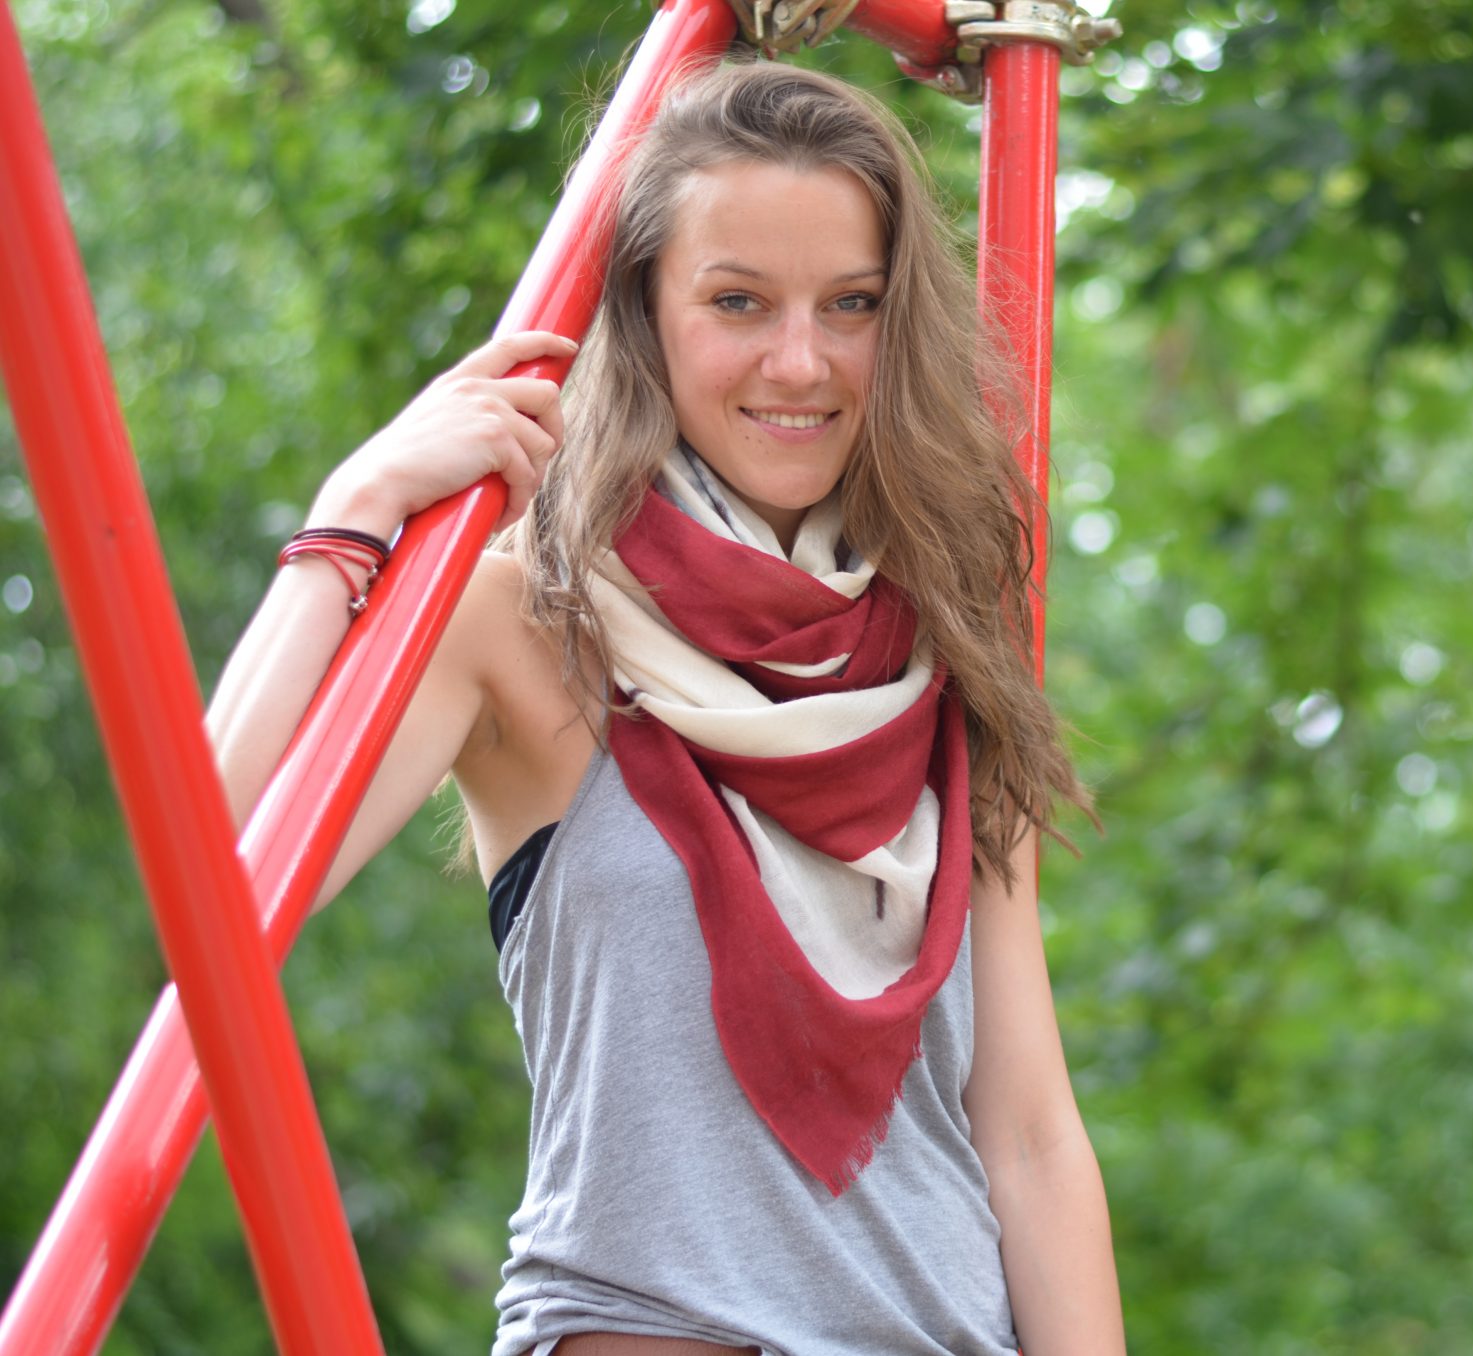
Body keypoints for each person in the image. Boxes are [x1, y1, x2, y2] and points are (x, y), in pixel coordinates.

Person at [205, 59, 1124, 1356]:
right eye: (738, 301)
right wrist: (352, 520)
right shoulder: (527, 623)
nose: (800, 361)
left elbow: (1026, 1134)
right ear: (644, 315)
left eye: (850, 304)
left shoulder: (944, 654)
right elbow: (213, 885)